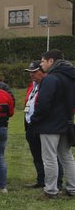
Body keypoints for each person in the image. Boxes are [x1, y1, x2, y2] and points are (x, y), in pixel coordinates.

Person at [30, 49, 75, 199]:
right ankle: (72, 188)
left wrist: (35, 119)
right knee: (67, 156)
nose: (41, 64)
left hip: (50, 124)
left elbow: (43, 103)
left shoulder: (50, 79)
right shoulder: (71, 77)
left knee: (49, 157)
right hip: (67, 122)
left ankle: (50, 190)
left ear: (51, 61)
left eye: (42, 61)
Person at [22, 61, 51, 188]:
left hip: (43, 124)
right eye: (30, 73)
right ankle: (41, 179)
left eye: (34, 72)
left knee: (49, 155)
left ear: (42, 72)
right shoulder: (32, 85)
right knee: (36, 154)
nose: (31, 75)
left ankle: (54, 182)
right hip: (30, 124)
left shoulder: (48, 85)